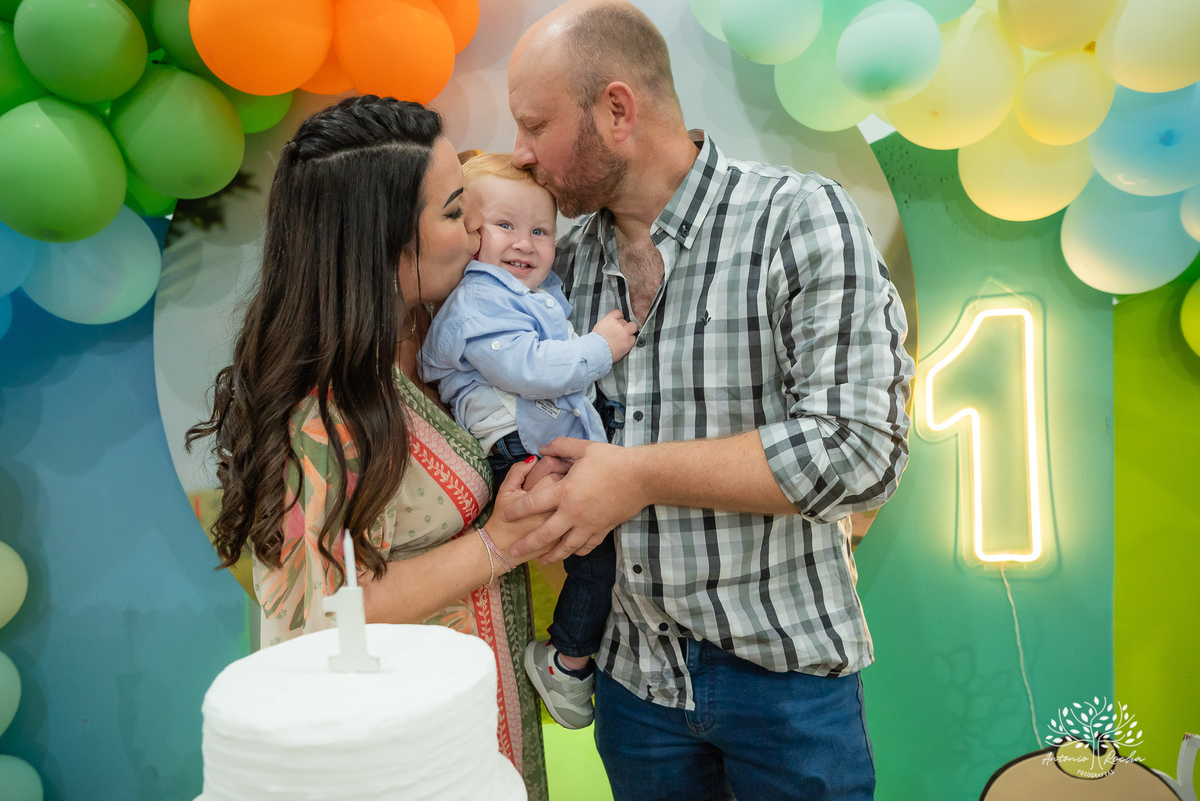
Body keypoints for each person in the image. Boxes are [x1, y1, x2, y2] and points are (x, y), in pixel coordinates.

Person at [501, 2, 917, 800]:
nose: (520, 152)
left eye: (534, 124)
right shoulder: (562, 269)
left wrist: (638, 474)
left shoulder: (797, 218)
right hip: (631, 685)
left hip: (786, 682)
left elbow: (860, 449)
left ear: (617, 110)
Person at [185, 95, 551, 800]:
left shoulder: (442, 330)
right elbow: (317, 617)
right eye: (455, 211)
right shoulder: (321, 410)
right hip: (410, 761)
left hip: (481, 725)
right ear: (380, 240)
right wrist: (499, 543)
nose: (478, 228)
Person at [419, 152, 637, 730]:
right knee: (597, 554)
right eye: (505, 225)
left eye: (541, 230)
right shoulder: (477, 299)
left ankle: (578, 653)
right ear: (471, 234)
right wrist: (600, 347)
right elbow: (530, 369)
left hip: (542, 438)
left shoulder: (528, 294)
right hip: (516, 448)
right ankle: (567, 661)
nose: (525, 243)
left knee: (606, 545)